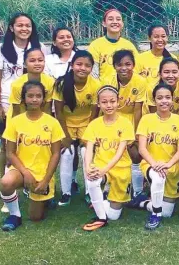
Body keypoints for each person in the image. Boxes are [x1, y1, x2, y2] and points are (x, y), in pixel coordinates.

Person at [0, 13, 42, 205]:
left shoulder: (38, 48)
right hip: (7, 103)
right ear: (12, 28)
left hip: (30, 103)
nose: (24, 29)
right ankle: (6, 184)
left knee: (29, 144)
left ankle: (28, 183)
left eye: (28, 25)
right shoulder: (1, 49)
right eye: (20, 25)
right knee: (6, 145)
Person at [0, 81, 63, 231]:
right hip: (22, 170)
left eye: (38, 96)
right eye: (30, 96)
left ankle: (45, 197)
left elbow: (55, 153)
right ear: (24, 99)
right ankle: (15, 215)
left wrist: (46, 179)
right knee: (6, 182)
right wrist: (25, 173)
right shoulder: (15, 122)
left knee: (36, 218)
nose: (34, 99)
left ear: (44, 99)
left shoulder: (52, 123)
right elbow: (10, 152)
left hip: (42, 174)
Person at [132, 82, 179, 230]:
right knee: (158, 176)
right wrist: (154, 164)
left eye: (167, 97)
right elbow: (142, 149)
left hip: (172, 166)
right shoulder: (147, 119)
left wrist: (168, 164)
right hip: (151, 164)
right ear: (154, 100)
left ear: (172, 99)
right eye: (160, 98)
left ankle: (143, 203)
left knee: (167, 213)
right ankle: (155, 214)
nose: (164, 101)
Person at [81, 85, 136, 231]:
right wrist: (88, 168)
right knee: (92, 181)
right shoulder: (94, 124)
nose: (109, 105)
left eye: (112, 101)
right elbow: (89, 147)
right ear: (98, 104)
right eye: (104, 102)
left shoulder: (125, 123)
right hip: (101, 165)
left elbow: (120, 152)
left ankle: (103, 201)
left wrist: (105, 169)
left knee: (114, 215)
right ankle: (101, 219)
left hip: (120, 169)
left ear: (118, 102)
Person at [53, 51, 101, 206]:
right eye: (79, 64)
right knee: (67, 153)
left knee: (86, 152)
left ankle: (90, 192)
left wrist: (88, 136)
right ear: (72, 65)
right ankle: (66, 193)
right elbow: (59, 112)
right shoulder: (61, 84)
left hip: (87, 126)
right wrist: (65, 136)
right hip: (66, 125)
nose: (83, 68)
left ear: (91, 68)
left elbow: (94, 115)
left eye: (87, 65)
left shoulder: (95, 85)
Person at [102, 50, 147, 198]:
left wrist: (135, 135)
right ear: (114, 66)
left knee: (135, 154)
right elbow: (105, 107)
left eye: (128, 64)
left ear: (133, 65)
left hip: (131, 121)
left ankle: (138, 190)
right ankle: (107, 187)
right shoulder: (108, 80)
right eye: (119, 64)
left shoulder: (140, 81)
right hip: (113, 119)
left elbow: (137, 110)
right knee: (111, 153)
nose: (124, 68)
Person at [87, 9, 138, 80]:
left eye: (118, 19)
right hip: (104, 89)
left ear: (122, 24)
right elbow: (93, 75)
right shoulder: (95, 45)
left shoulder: (129, 46)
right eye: (110, 19)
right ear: (104, 23)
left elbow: (136, 70)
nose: (115, 22)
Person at [9, 48, 55, 118]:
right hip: (20, 119)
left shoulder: (50, 82)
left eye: (40, 60)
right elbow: (16, 112)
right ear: (24, 64)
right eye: (32, 61)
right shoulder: (17, 85)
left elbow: (47, 108)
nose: (37, 63)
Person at [145, 57, 179, 122]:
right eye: (166, 72)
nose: (171, 76)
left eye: (174, 72)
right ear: (160, 74)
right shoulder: (152, 88)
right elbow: (154, 115)